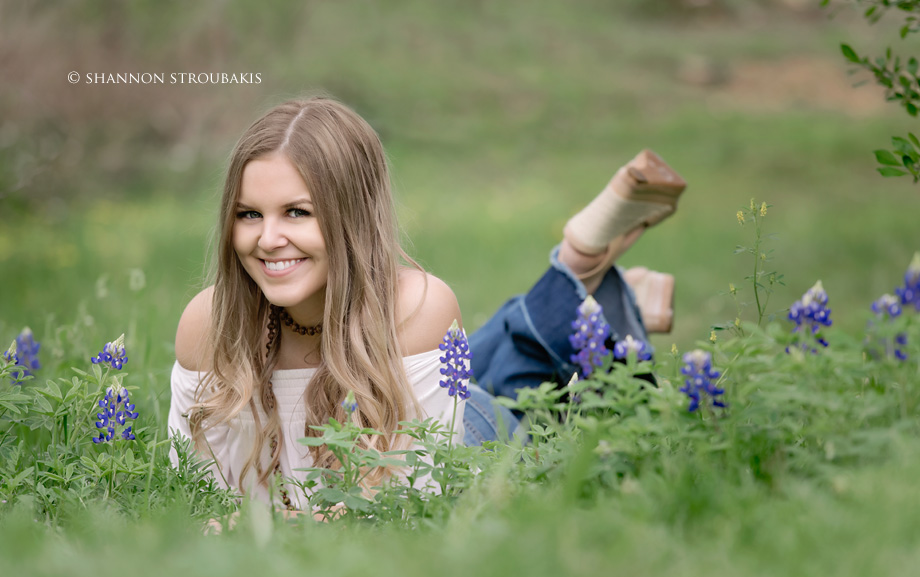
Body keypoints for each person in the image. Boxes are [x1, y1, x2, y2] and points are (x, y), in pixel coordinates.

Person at [168, 97, 685, 510]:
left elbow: (399, 499)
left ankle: (580, 272)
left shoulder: (416, 307)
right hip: (414, 370)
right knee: (486, 357)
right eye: (249, 214)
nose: (267, 239)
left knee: (518, 394)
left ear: (352, 216)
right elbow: (192, 490)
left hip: (463, 433)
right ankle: (582, 279)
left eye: (297, 212)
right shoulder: (208, 324)